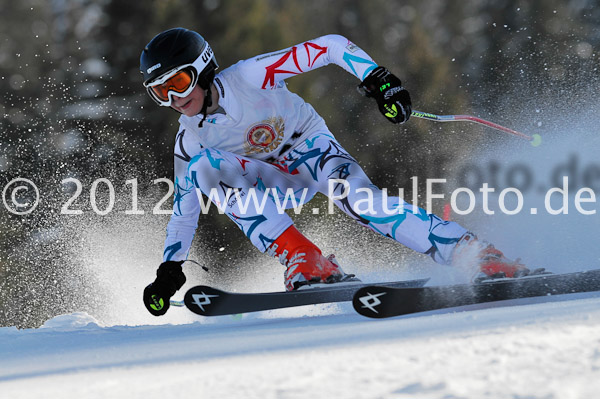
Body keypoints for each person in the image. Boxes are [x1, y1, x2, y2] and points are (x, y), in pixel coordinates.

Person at [140, 28, 531, 316]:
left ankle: (475, 255)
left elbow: (330, 47)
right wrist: (170, 268)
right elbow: (183, 210)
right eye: (160, 92)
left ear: (204, 69)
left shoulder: (248, 76)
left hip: (312, 151)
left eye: (178, 82)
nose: (174, 99)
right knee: (203, 169)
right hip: (273, 181)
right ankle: (307, 260)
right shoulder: (189, 139)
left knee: (360, 202)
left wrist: (379, 81)